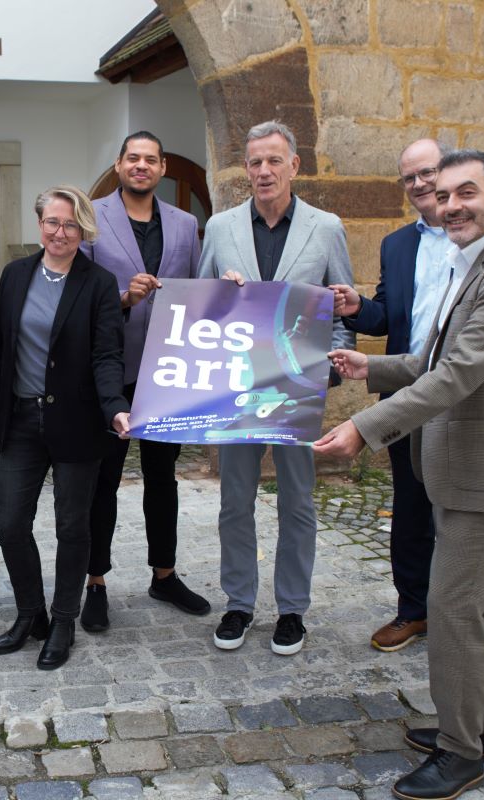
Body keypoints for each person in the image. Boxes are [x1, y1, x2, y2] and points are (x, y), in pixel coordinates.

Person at [316, 149, 484, 800]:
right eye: (444, 195)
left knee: (454, 610)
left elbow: (458, 376)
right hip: (465, 467)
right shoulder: (474, 258)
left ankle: (461, 754)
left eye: (467, 192)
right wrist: (373, 367)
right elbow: (432, 357)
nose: (452, 204)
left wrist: (365, 427)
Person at [328, 138, 484, 653]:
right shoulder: (399, 244)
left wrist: (360, 428)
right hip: (409, 388)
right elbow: (390, 318)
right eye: (410, 179)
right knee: (411, 509)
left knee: (466, 518)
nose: (422, 185)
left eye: (429, 174)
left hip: (476, 402)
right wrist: (358, 307)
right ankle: (415, 610)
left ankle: (467, 603)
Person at [198, 120, 355, 654]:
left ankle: (293, 609)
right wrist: (219, 296)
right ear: (246, 169)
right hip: (238, 389)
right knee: (234, 501)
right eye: (255, 162)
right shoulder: (220, 229)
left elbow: (342, 305)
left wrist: (330, 368)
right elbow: (200, 309)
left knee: (297, 502)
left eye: (274, 160)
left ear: (295, 165)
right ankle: (238, 603)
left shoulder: (326, 227)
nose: (264, 171)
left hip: (297, 387)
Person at [0, 186, 130, 670]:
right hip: (20, 420)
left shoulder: (99, 282)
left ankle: (64, 619)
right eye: (52, 222)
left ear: (83, 230)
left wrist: (115, 408)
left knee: (71, 525)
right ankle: (31, 615)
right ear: (39, 223)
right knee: (9, 523)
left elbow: (108, 354)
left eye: (70, 225)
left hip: (79, 421)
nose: (60, 232)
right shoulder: (16, 274)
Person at [80, 131, 209, 631]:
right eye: (132, 158)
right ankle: (95, 582)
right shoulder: (92, 216)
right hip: (111, 370)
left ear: (161, 169)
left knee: (163, 478)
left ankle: (164, 573)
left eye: (150, 160)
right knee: (103, 481)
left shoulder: (185, 223)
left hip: (168, 370)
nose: (141, 166)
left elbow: (197, 293)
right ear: (118, 165)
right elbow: (83, 298)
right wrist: (123, 297)